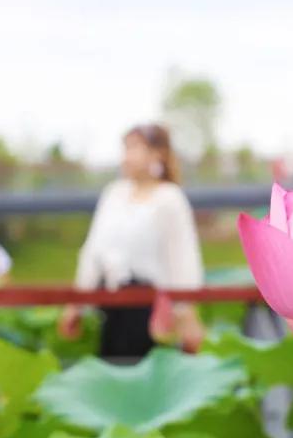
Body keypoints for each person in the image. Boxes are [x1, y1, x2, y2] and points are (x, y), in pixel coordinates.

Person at [59, 123, 204, 359]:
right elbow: (93, 252)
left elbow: (182, 258)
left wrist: (185, 312)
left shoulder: (170, 199)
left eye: (134, 148)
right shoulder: (113, 194)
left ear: (158, 154)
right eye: (125, 149)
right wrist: (77, 304)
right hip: (112, 303)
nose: (126, 157)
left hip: (151, 308)